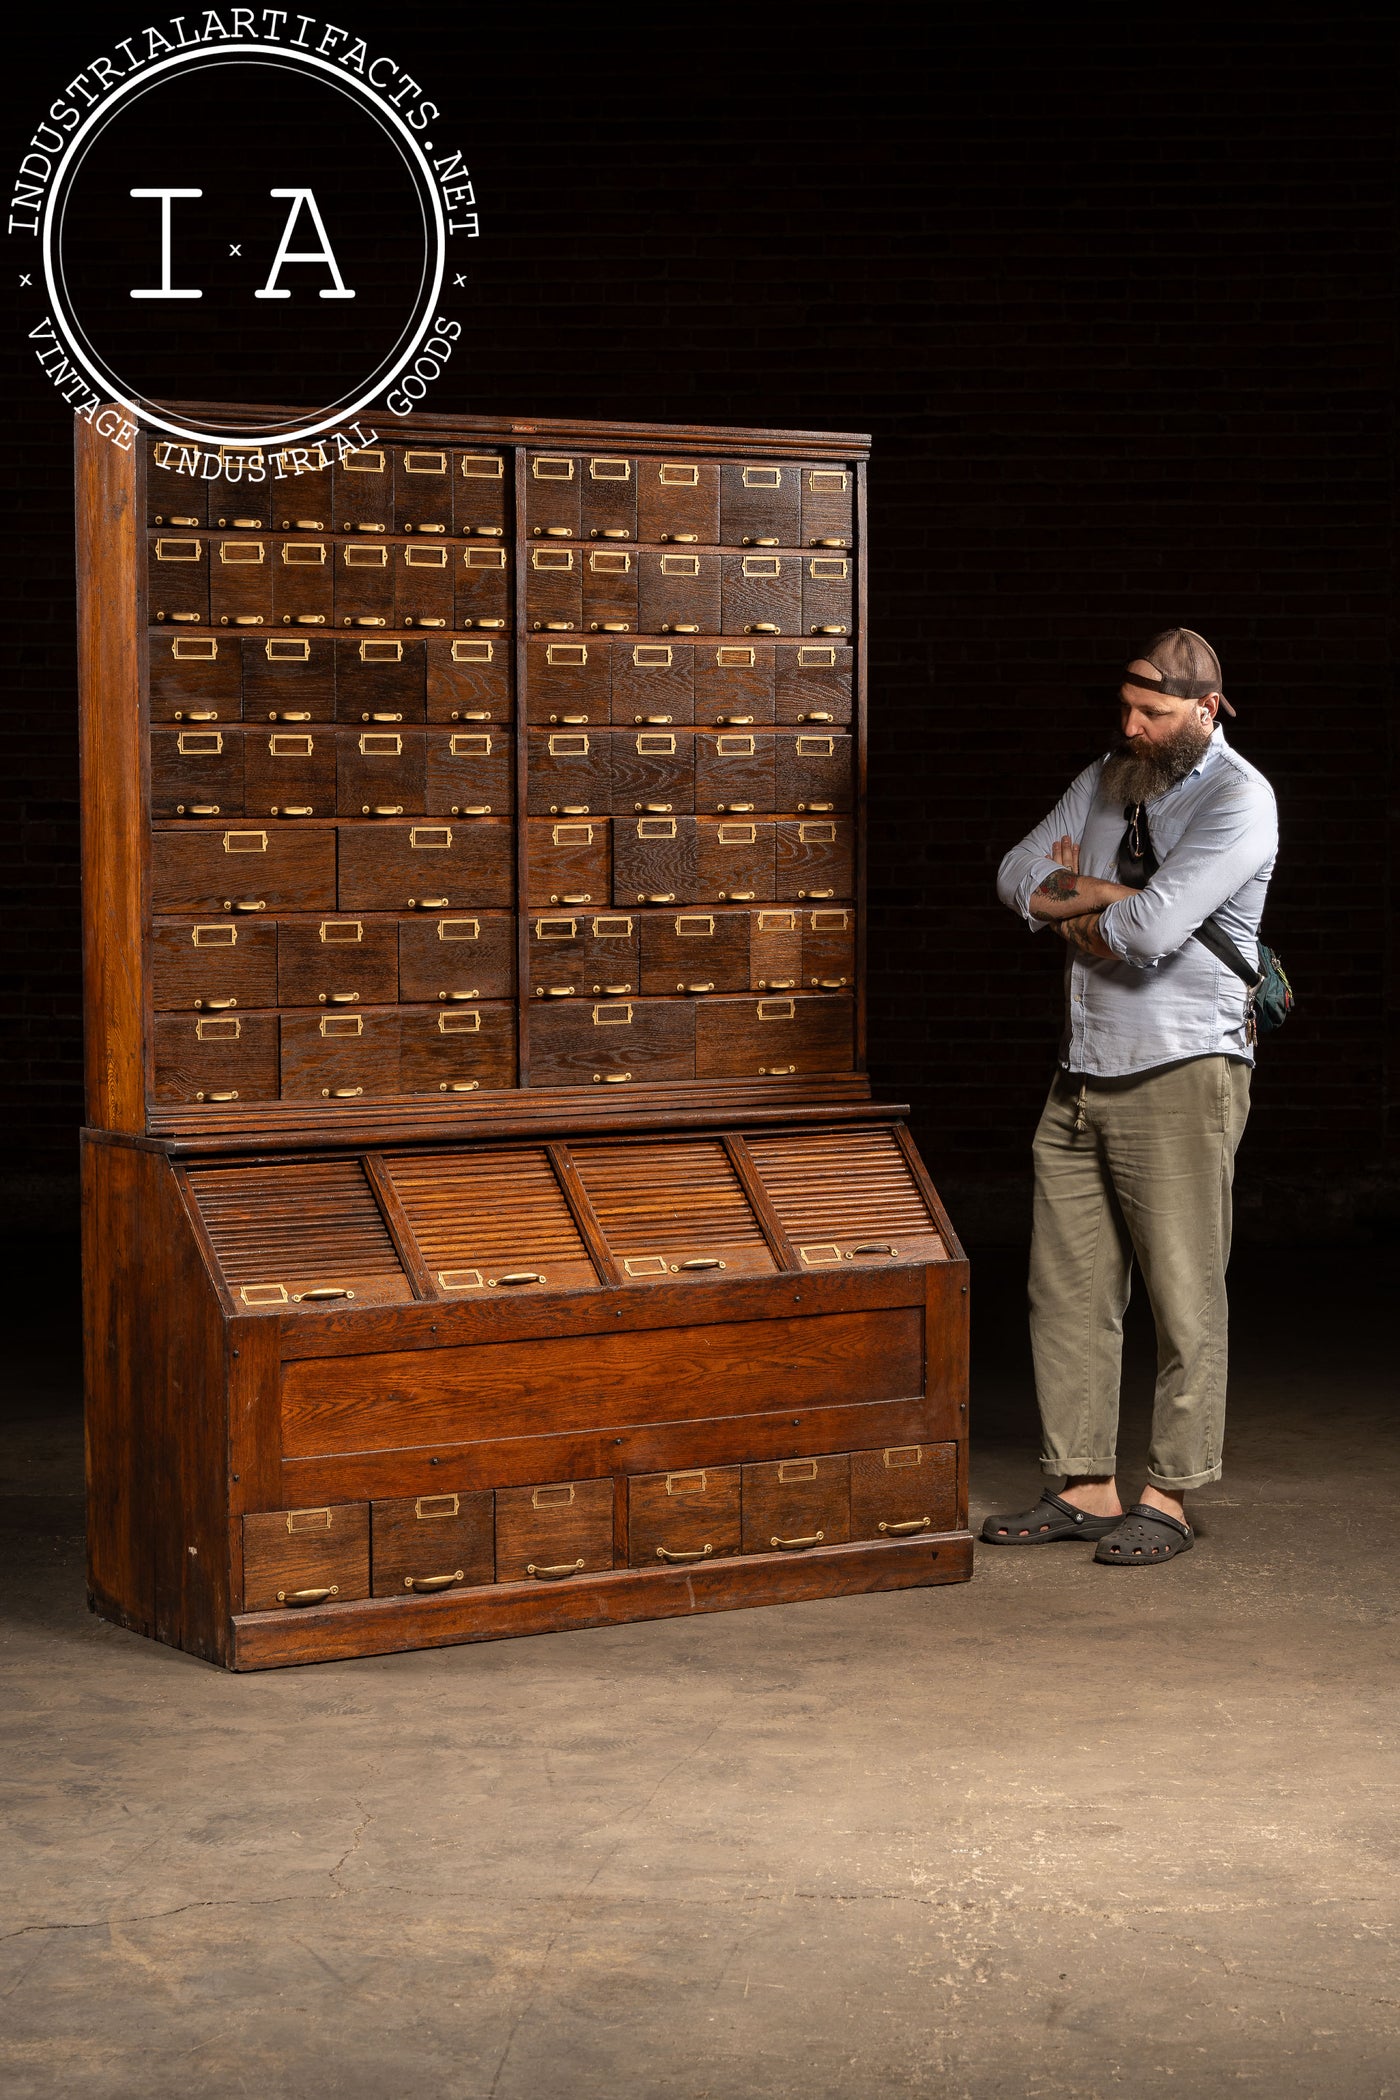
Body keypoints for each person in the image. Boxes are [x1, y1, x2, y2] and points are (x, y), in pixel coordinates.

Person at [985, 628, 1278, 1566]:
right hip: (1081, 1067)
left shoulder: (1239, 798)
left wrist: (1083, 901)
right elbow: (1014, 875)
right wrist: (1105, 897)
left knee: (1184, 1295)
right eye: (1126, 709)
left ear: (1206, 709)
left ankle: (1172, 1495)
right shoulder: (1108, 778)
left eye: (1152, 712)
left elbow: (1149, 936)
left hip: (1182, 1067)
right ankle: (1083, 1486)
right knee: (1066, 1290)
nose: (1132, 727)